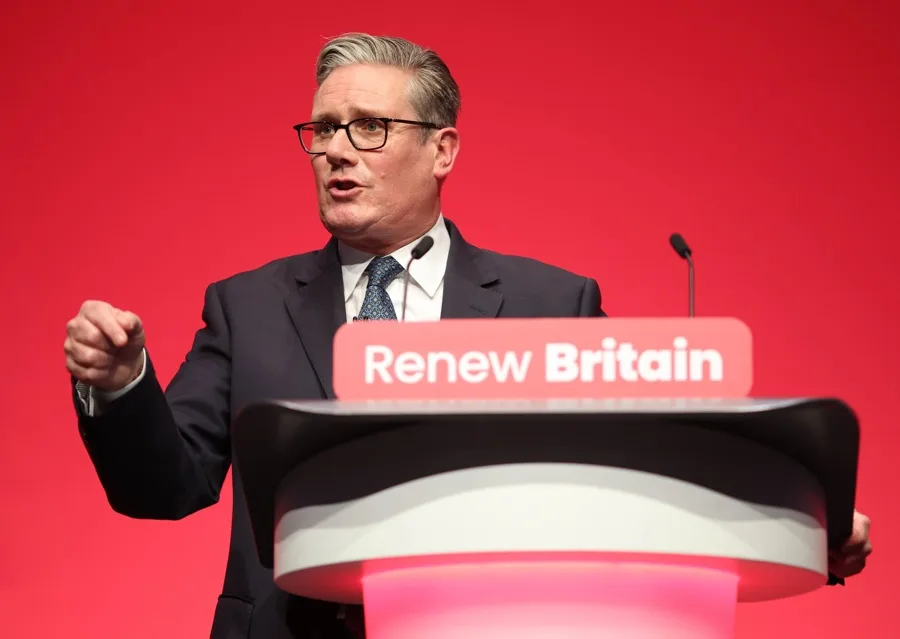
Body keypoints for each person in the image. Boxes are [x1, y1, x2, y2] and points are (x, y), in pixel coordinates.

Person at [64, 33, 872, 639]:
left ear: (441, 148)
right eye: (322, 131)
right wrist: (121, 384)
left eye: (369, 127)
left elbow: (626, 487)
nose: (337, 151)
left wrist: (799, 529)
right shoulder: (247, 305)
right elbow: (163, 488)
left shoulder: (552, 302)